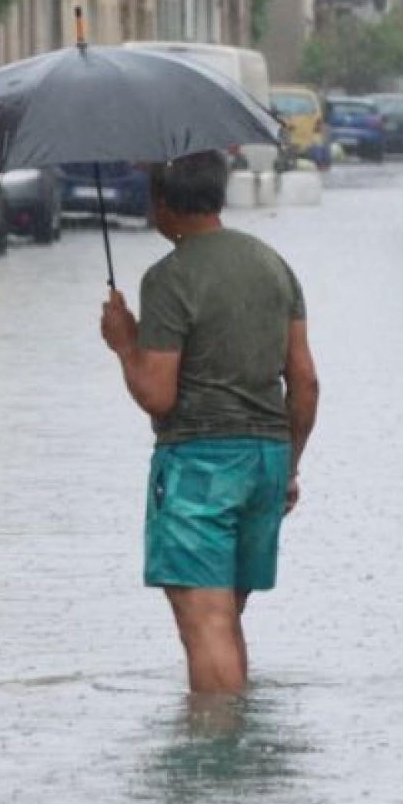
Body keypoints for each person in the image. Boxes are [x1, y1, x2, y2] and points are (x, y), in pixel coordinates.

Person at [99, 151, 320, 695]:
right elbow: (305, 381)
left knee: (205, 623)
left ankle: (215, 754)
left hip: (201, 465)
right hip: (266, 464)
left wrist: (124, 342)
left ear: (163, 203)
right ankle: (237, 756)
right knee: (225, 619)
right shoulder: (274, 265)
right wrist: (289, 468)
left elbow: (157, 393)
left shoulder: (170, 278)